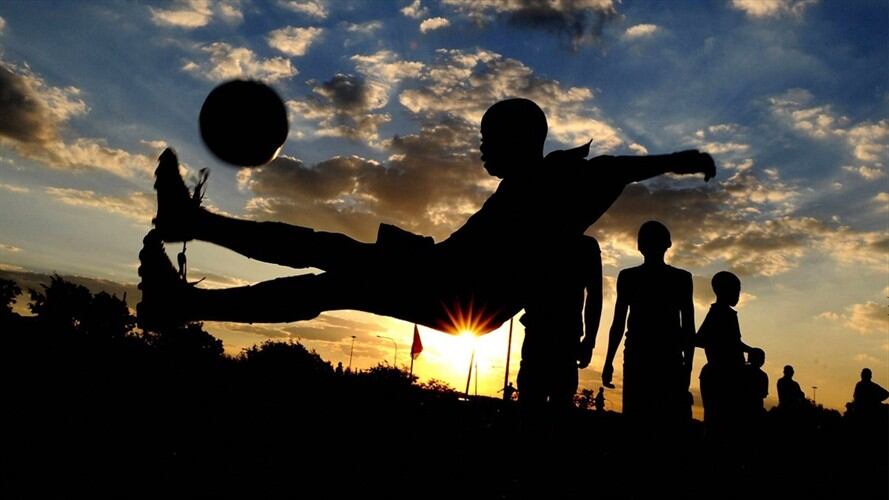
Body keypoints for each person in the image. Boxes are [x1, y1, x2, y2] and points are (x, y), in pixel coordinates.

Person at [138, 98, 716, 336]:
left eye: (490, 139)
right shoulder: (530, 183)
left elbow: (619, 168)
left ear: (520, 140)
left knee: (333, 273)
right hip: (446, 274)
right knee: (330, 254)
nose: (482, 150)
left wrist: (684, 161)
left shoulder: (559, 181)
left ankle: (186, 293)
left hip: (464, 294)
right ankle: (193, 238)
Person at [601, 221, 695, 422]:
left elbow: (618, 323)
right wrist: (688, 366)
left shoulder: (629, 277)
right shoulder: (681, 278)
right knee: (662, 421)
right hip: (660, 356)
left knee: (639, 419)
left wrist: (609, 361)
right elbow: (688, 328)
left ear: (639, 246)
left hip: (646, 355)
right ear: (668, 244)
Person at [517, 234, 601, 413]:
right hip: (556, 335)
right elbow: (595, 296)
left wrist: (590, 340)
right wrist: (589, 340)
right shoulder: (585, 245)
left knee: (537, 403)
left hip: (546, 334)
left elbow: (595, 296)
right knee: (554, 403)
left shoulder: (538, 239)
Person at [696, 271, 756, 425]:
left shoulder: (725, 313)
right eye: (736, 290)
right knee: (722, 421)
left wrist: (748, 350)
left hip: (726, 373)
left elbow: (733, 342)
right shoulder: (719, 313)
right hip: (723, 375)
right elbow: (700, 339)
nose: (738, 295)